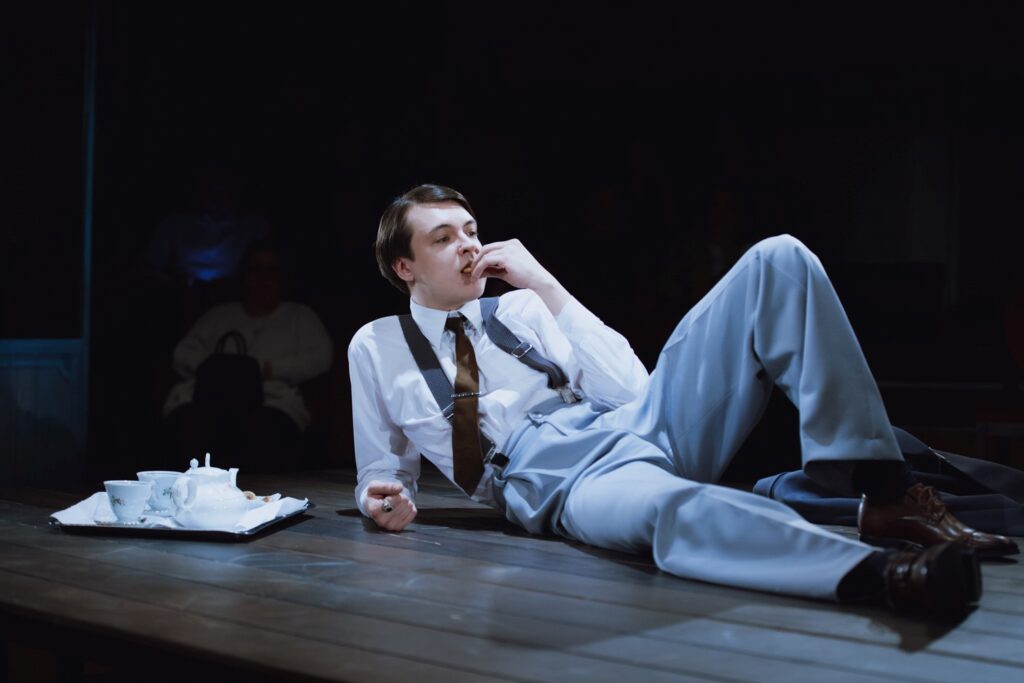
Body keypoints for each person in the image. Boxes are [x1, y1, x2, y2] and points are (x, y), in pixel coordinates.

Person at [348, 184, 1018, 620]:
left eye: (470, 230)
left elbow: (632, 391)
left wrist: (546, 285)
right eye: (443, 238)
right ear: (404, 266)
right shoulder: (376, 346)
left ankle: (887, 490)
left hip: (636, 422)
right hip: (554, 476)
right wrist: (382, 496)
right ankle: (885, 575)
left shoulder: (521, 307)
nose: (468, 245)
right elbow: (382, 471)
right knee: (674, 509)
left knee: (778, 258)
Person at [164, 243, 333, 471]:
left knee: (262, 431)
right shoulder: (220, 315)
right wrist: (222, 370)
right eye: (256, 270)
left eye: (271, 270)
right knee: (189, 426)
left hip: (271, 401)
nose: (264, 278)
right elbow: (182, 354)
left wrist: (265, 369)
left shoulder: (299, 316)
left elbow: (321, 356)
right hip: (208, 399)